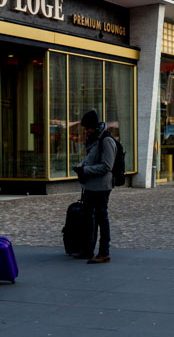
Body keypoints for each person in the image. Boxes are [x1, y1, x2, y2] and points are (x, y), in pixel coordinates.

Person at [72, 110, 118, 264]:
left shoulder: (106, 140)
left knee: (101, 218)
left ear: (93, 126)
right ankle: (87, 249)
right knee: (87, 218)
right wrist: (83, 164)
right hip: (91, 185)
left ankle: (104, 252)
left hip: (102, 187)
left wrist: (85, 170)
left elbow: (107, 166)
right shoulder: (94, 138)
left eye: (87, 127)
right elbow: (91, 157)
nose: (86, 131)